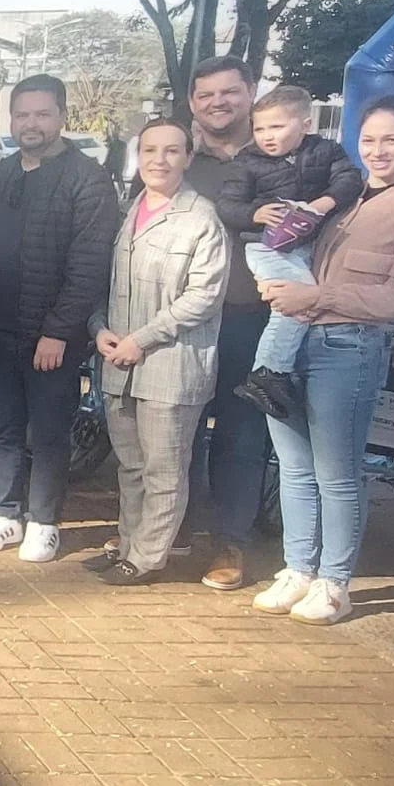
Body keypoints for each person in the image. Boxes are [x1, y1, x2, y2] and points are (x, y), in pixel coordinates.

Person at [252, 95, 394, 624]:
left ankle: (334, 583)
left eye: (392, 139)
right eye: (369, 139)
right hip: (289, 341)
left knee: (336, 473)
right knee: (293, 467)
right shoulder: (342, 195)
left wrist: (314, 297)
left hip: (347, 347)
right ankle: (297, 569)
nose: (377, 150)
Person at [0, 73, 120, 562]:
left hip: (52, 334)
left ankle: (44, 520)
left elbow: (90, 264)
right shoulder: (1, 174)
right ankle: (5, 513)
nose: (30, 124)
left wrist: (58, 330)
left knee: (49, 431)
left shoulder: (86, 178)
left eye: (42, 114)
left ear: (62, 117)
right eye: (22, 115)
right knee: (3, 425)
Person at [82, 118, 229, 585]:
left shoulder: (202, 219)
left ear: (188, 157)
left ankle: (147, 558)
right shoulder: (129, 212)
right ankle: (128, 545)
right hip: (120, 364)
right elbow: (107, 285)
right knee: (131, 467)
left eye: (171, 151)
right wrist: (99, 329)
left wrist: (140, 339)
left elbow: (203, 298)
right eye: (149, 150)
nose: (158, 160)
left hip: (171, 365)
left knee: (164, 470)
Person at [216, 85, 365, 419]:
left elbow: (350, 181)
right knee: (299, 301)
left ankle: (278, 371)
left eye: (277, 126)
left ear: (305, 124)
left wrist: (321, 204)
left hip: (309, 245)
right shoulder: (248, 161)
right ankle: (268, 371)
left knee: (295, 307)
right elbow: (226, 205)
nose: (267, 136)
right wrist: (255, 213)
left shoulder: (327, 151)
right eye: (260, 128)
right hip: (266, 245)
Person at [179, 55, 265, 590]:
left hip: (251, 318)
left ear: (251, 92)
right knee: (177, 430)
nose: (218, 102)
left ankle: (231, 541)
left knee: (242, 433)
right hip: (184, 320)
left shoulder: (281, 158)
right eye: (206, 94)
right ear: (193, 103)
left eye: (229, 92)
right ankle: (174, 529)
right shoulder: (182, 164)